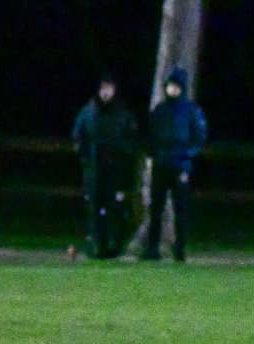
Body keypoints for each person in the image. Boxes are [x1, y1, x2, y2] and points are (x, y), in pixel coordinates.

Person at [71, 72, 139, 259]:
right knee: (95, 208)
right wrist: (85, 156)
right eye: (103, 88)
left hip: (115, 170)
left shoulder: (123, 114)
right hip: (94, 169)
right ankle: (97, 245)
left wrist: (123, 155)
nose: (106, 92)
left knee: (115, 208)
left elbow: (131, 140)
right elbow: (78, 135)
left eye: (109, 88)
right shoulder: (88, 112)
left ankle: (115, 245)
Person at [144, 66, 208, 262]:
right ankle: (152, 249)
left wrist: (187, 156)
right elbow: (150, 135)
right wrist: (151, 155)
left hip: (180, 166)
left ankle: (180, 249)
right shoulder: (160, 110)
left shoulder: (191, 111)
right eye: (170, 86)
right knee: (156, 208)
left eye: (176, 86)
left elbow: (199, 137)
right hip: (160, 164)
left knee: (180, 209)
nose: (172, 89)